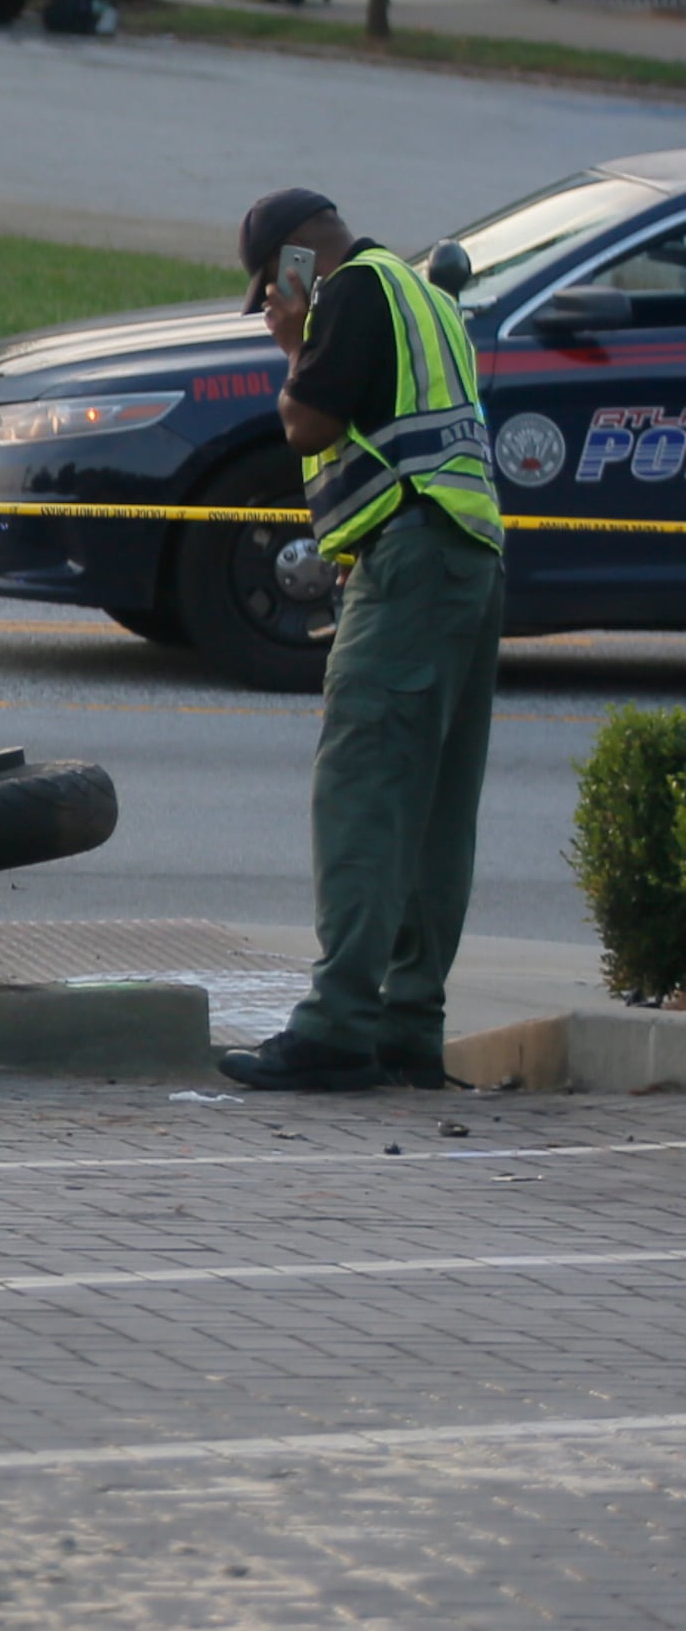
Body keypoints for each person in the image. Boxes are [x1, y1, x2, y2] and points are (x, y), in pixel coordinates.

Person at [218, 189, 505, 1093]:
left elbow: (306, 420)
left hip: (414, 560)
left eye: (269, 284)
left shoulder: (346, 296)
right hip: (468, 559)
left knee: (363, 785)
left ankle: (340, 1025)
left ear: (293, 262)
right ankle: (409, 1025)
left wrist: (293, 338)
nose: (270, 301)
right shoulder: (420, 294)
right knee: (433, 804)